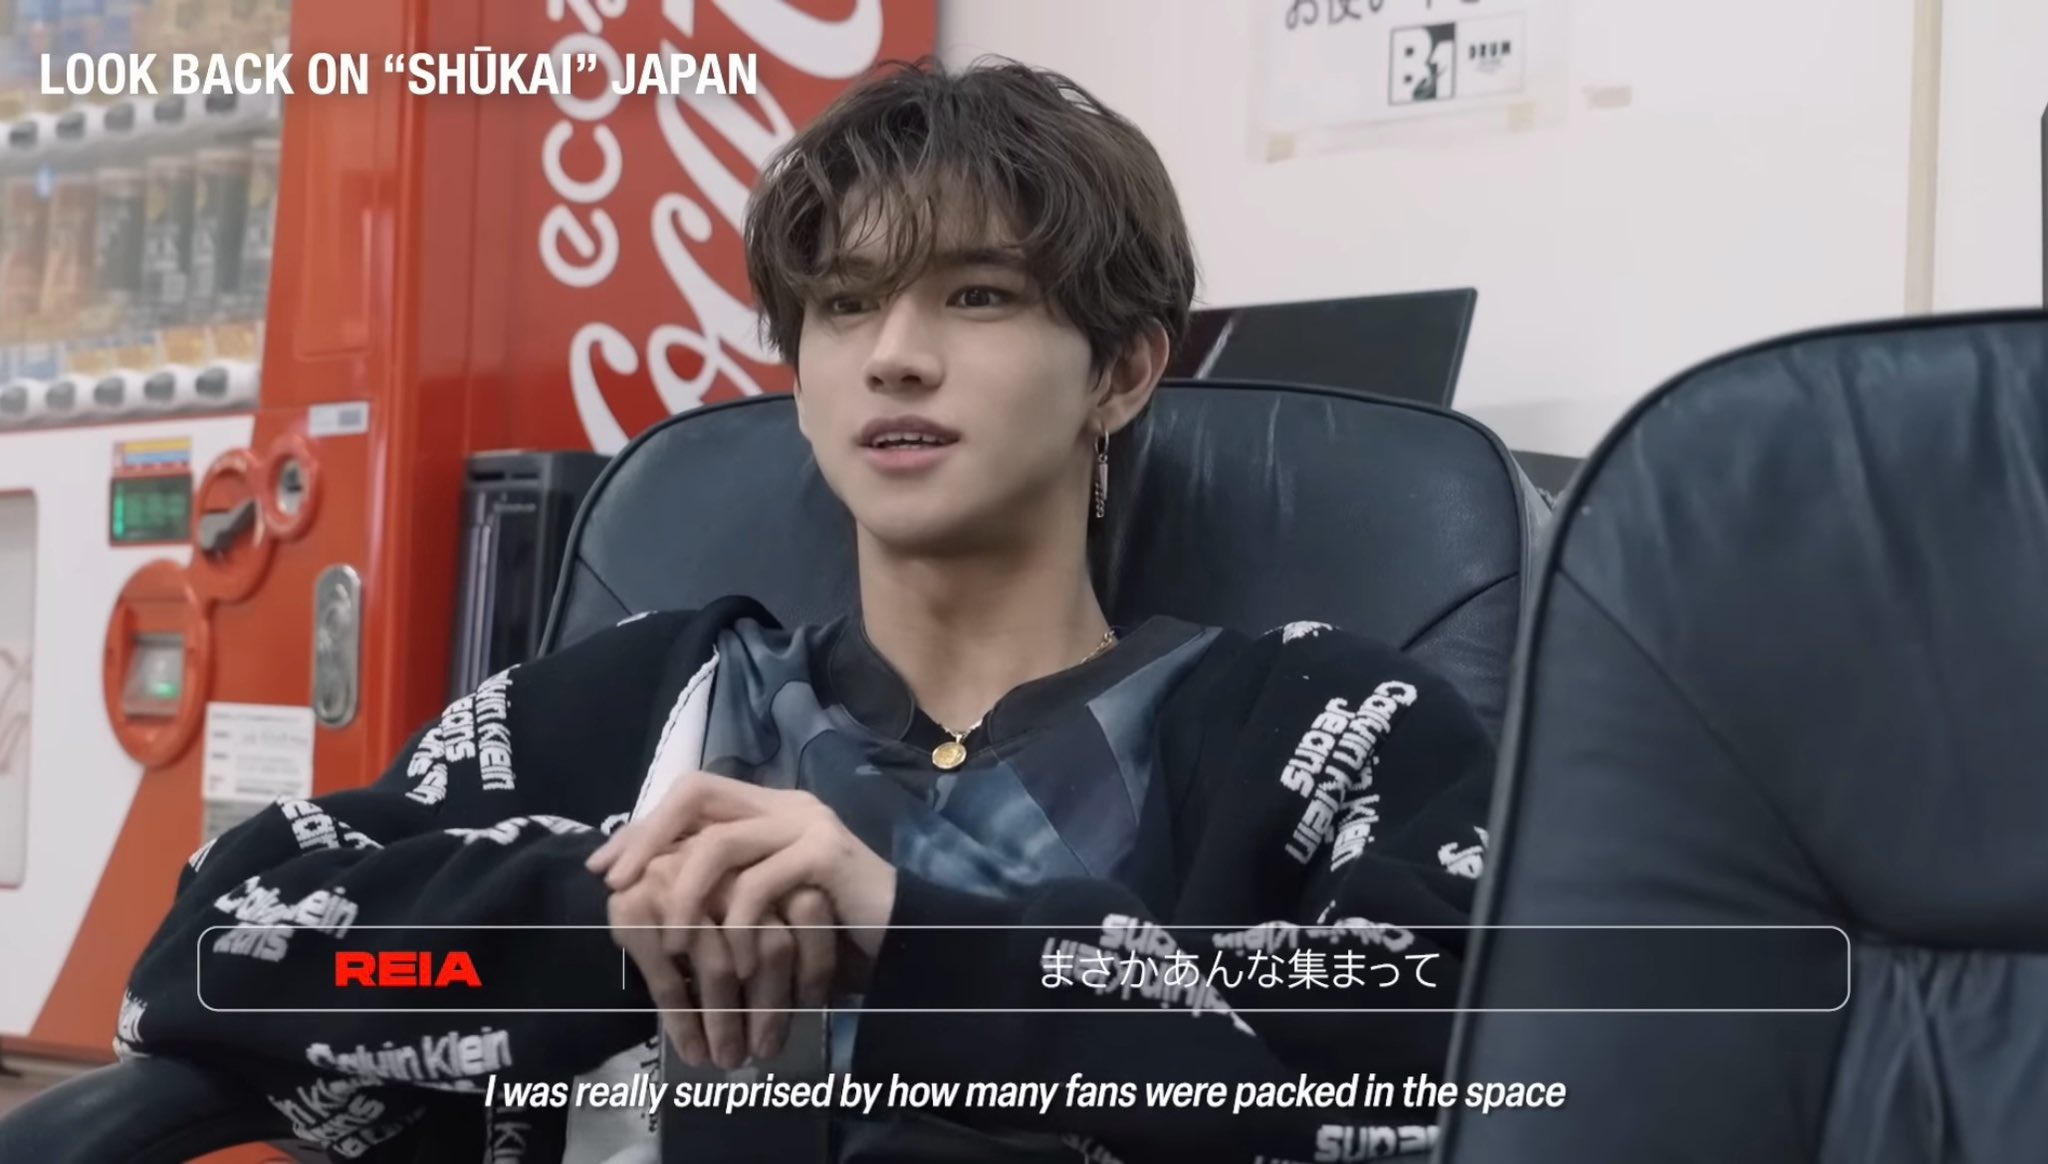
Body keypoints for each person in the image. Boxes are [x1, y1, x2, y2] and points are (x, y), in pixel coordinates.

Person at [116, 57, 1496, 1164]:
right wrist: (621, 922)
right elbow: (216, 957)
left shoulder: (1320, 728)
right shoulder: (633, 705)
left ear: (1124, 371)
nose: (894, 356)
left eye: (976, 295)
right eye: (844, 304)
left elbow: (1449, 1079)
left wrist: (903, 934)